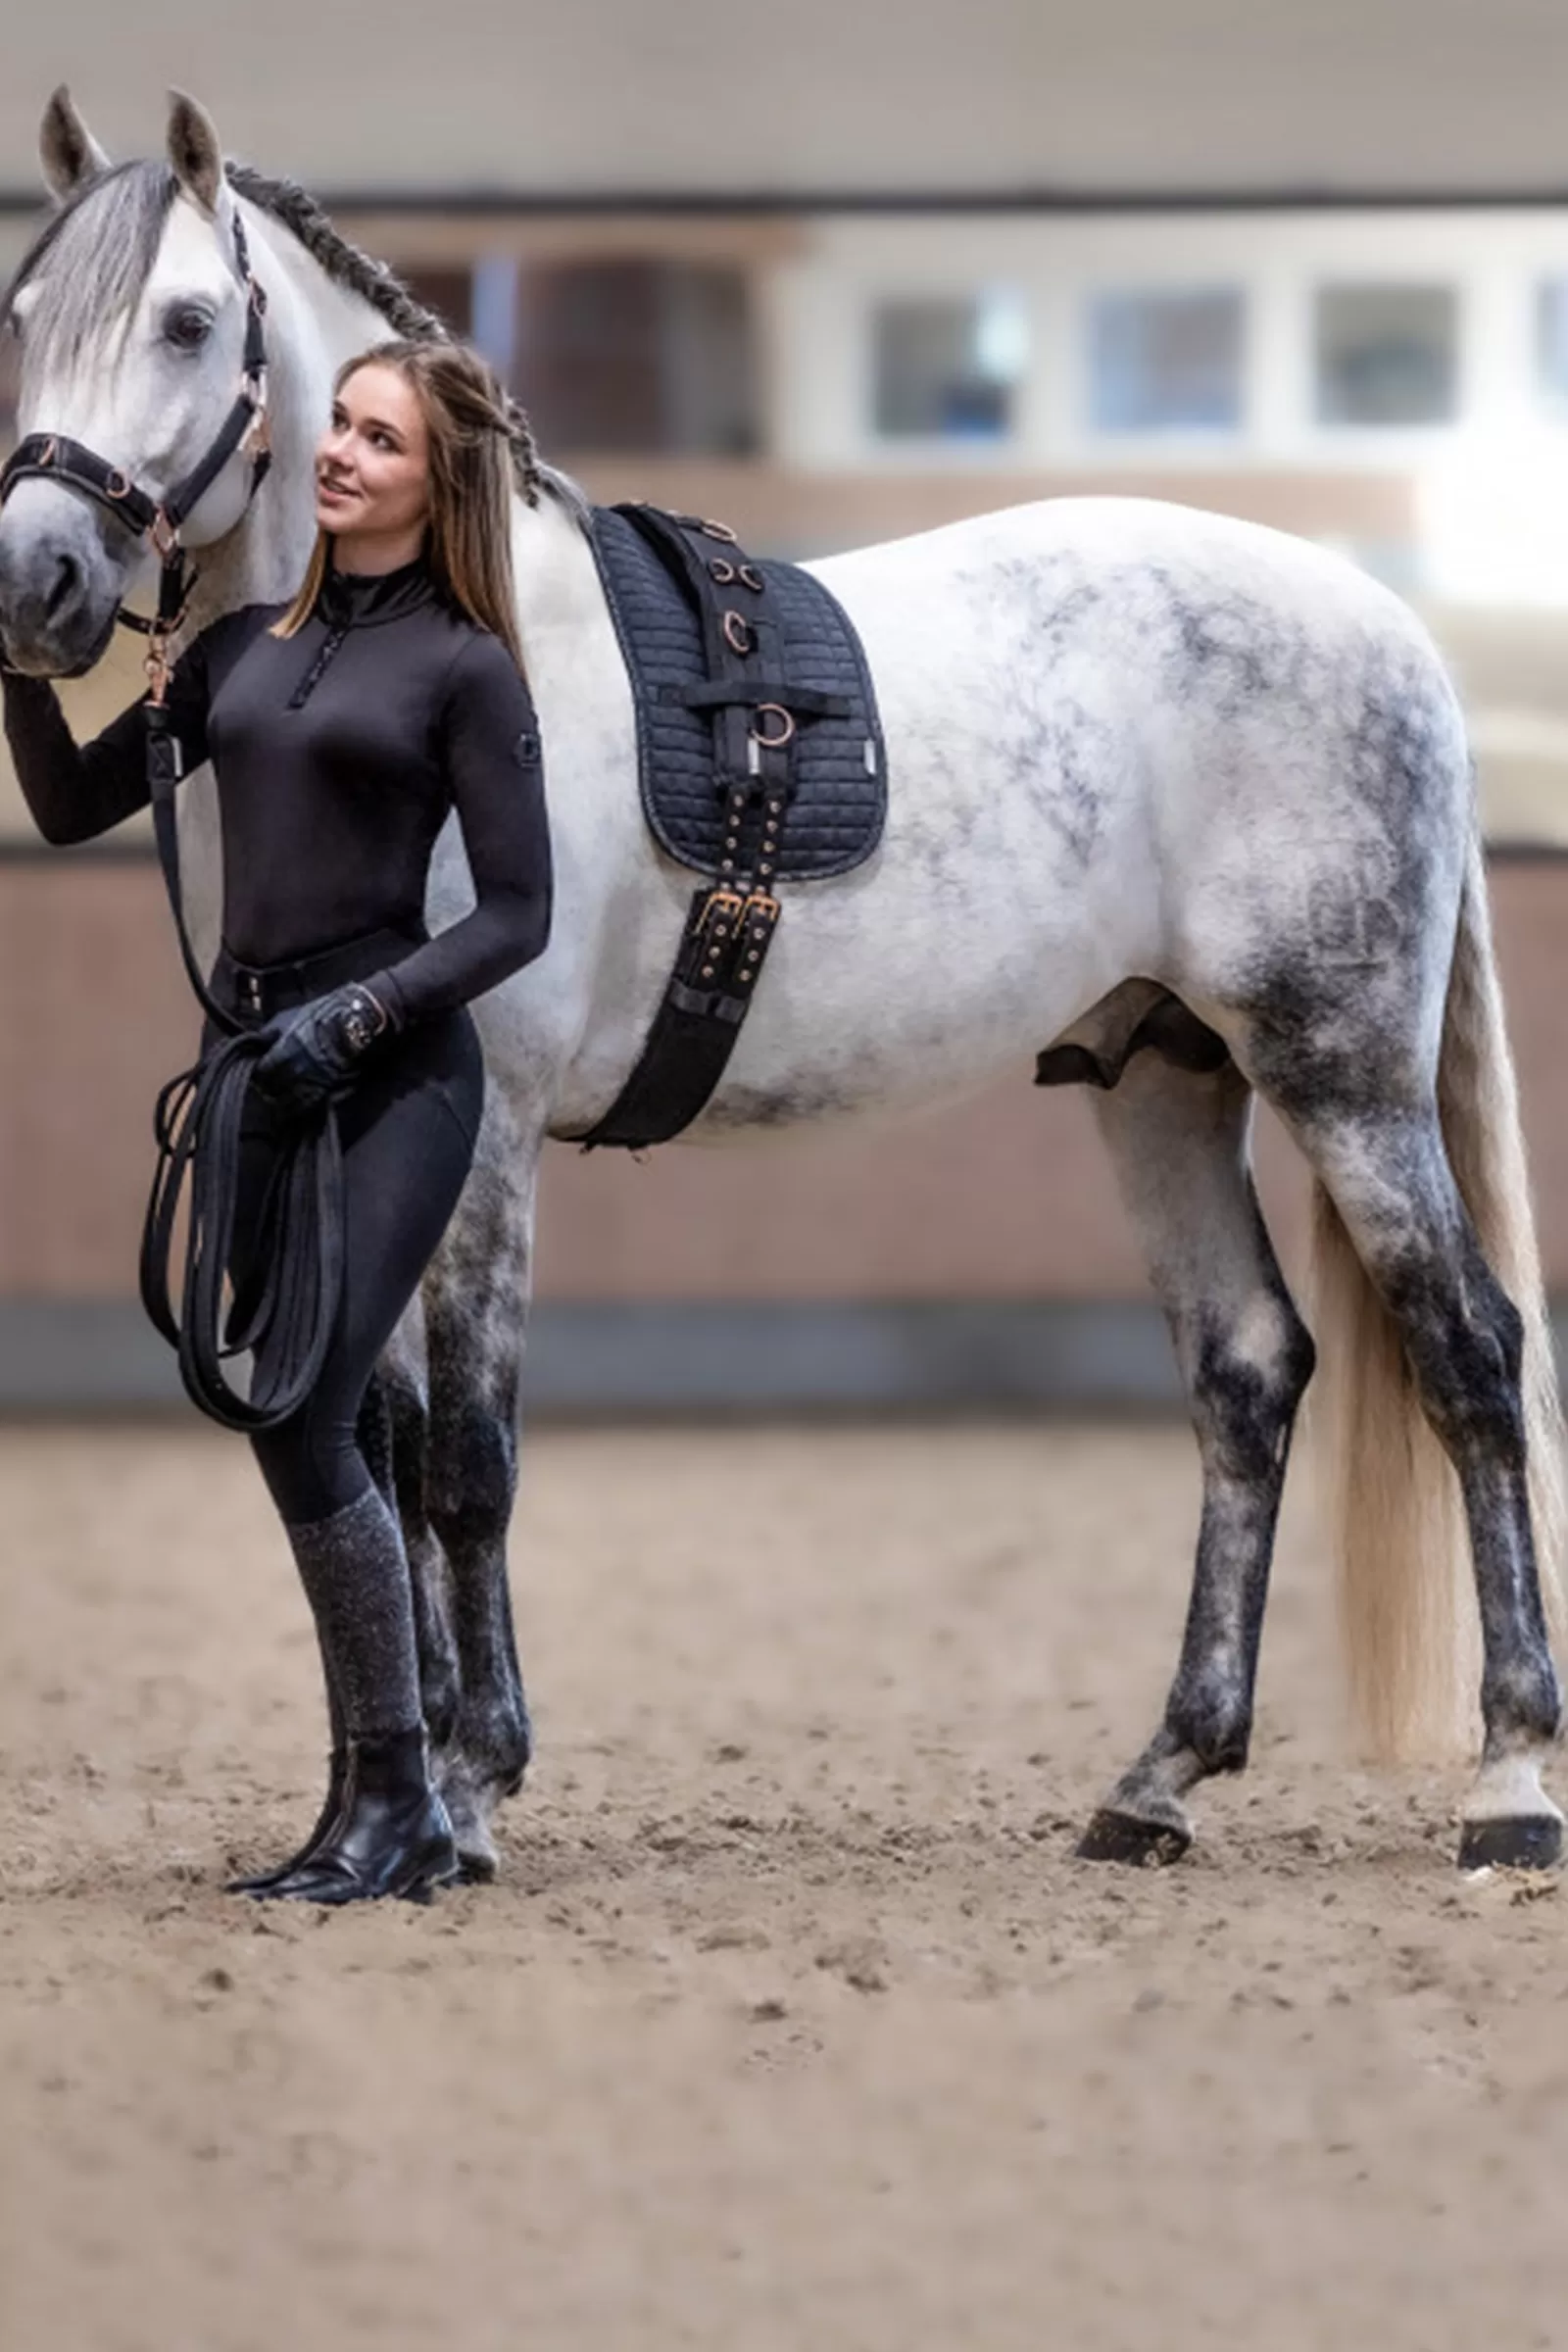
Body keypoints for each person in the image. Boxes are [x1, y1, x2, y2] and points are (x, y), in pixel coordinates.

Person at [2, 339, 554, 1905]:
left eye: (381, 442)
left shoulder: (467, 670)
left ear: (433, 484)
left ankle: (400, 1797)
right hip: (250, 1068)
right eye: (342, 428)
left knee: (307, 1414)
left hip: (391, 1074)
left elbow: (517, 914)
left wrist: (360, 1019)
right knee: (304, 1416)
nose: (344, 456)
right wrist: (22, 663)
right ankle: (369, 1798)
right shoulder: (241, 646)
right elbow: (70, 803)